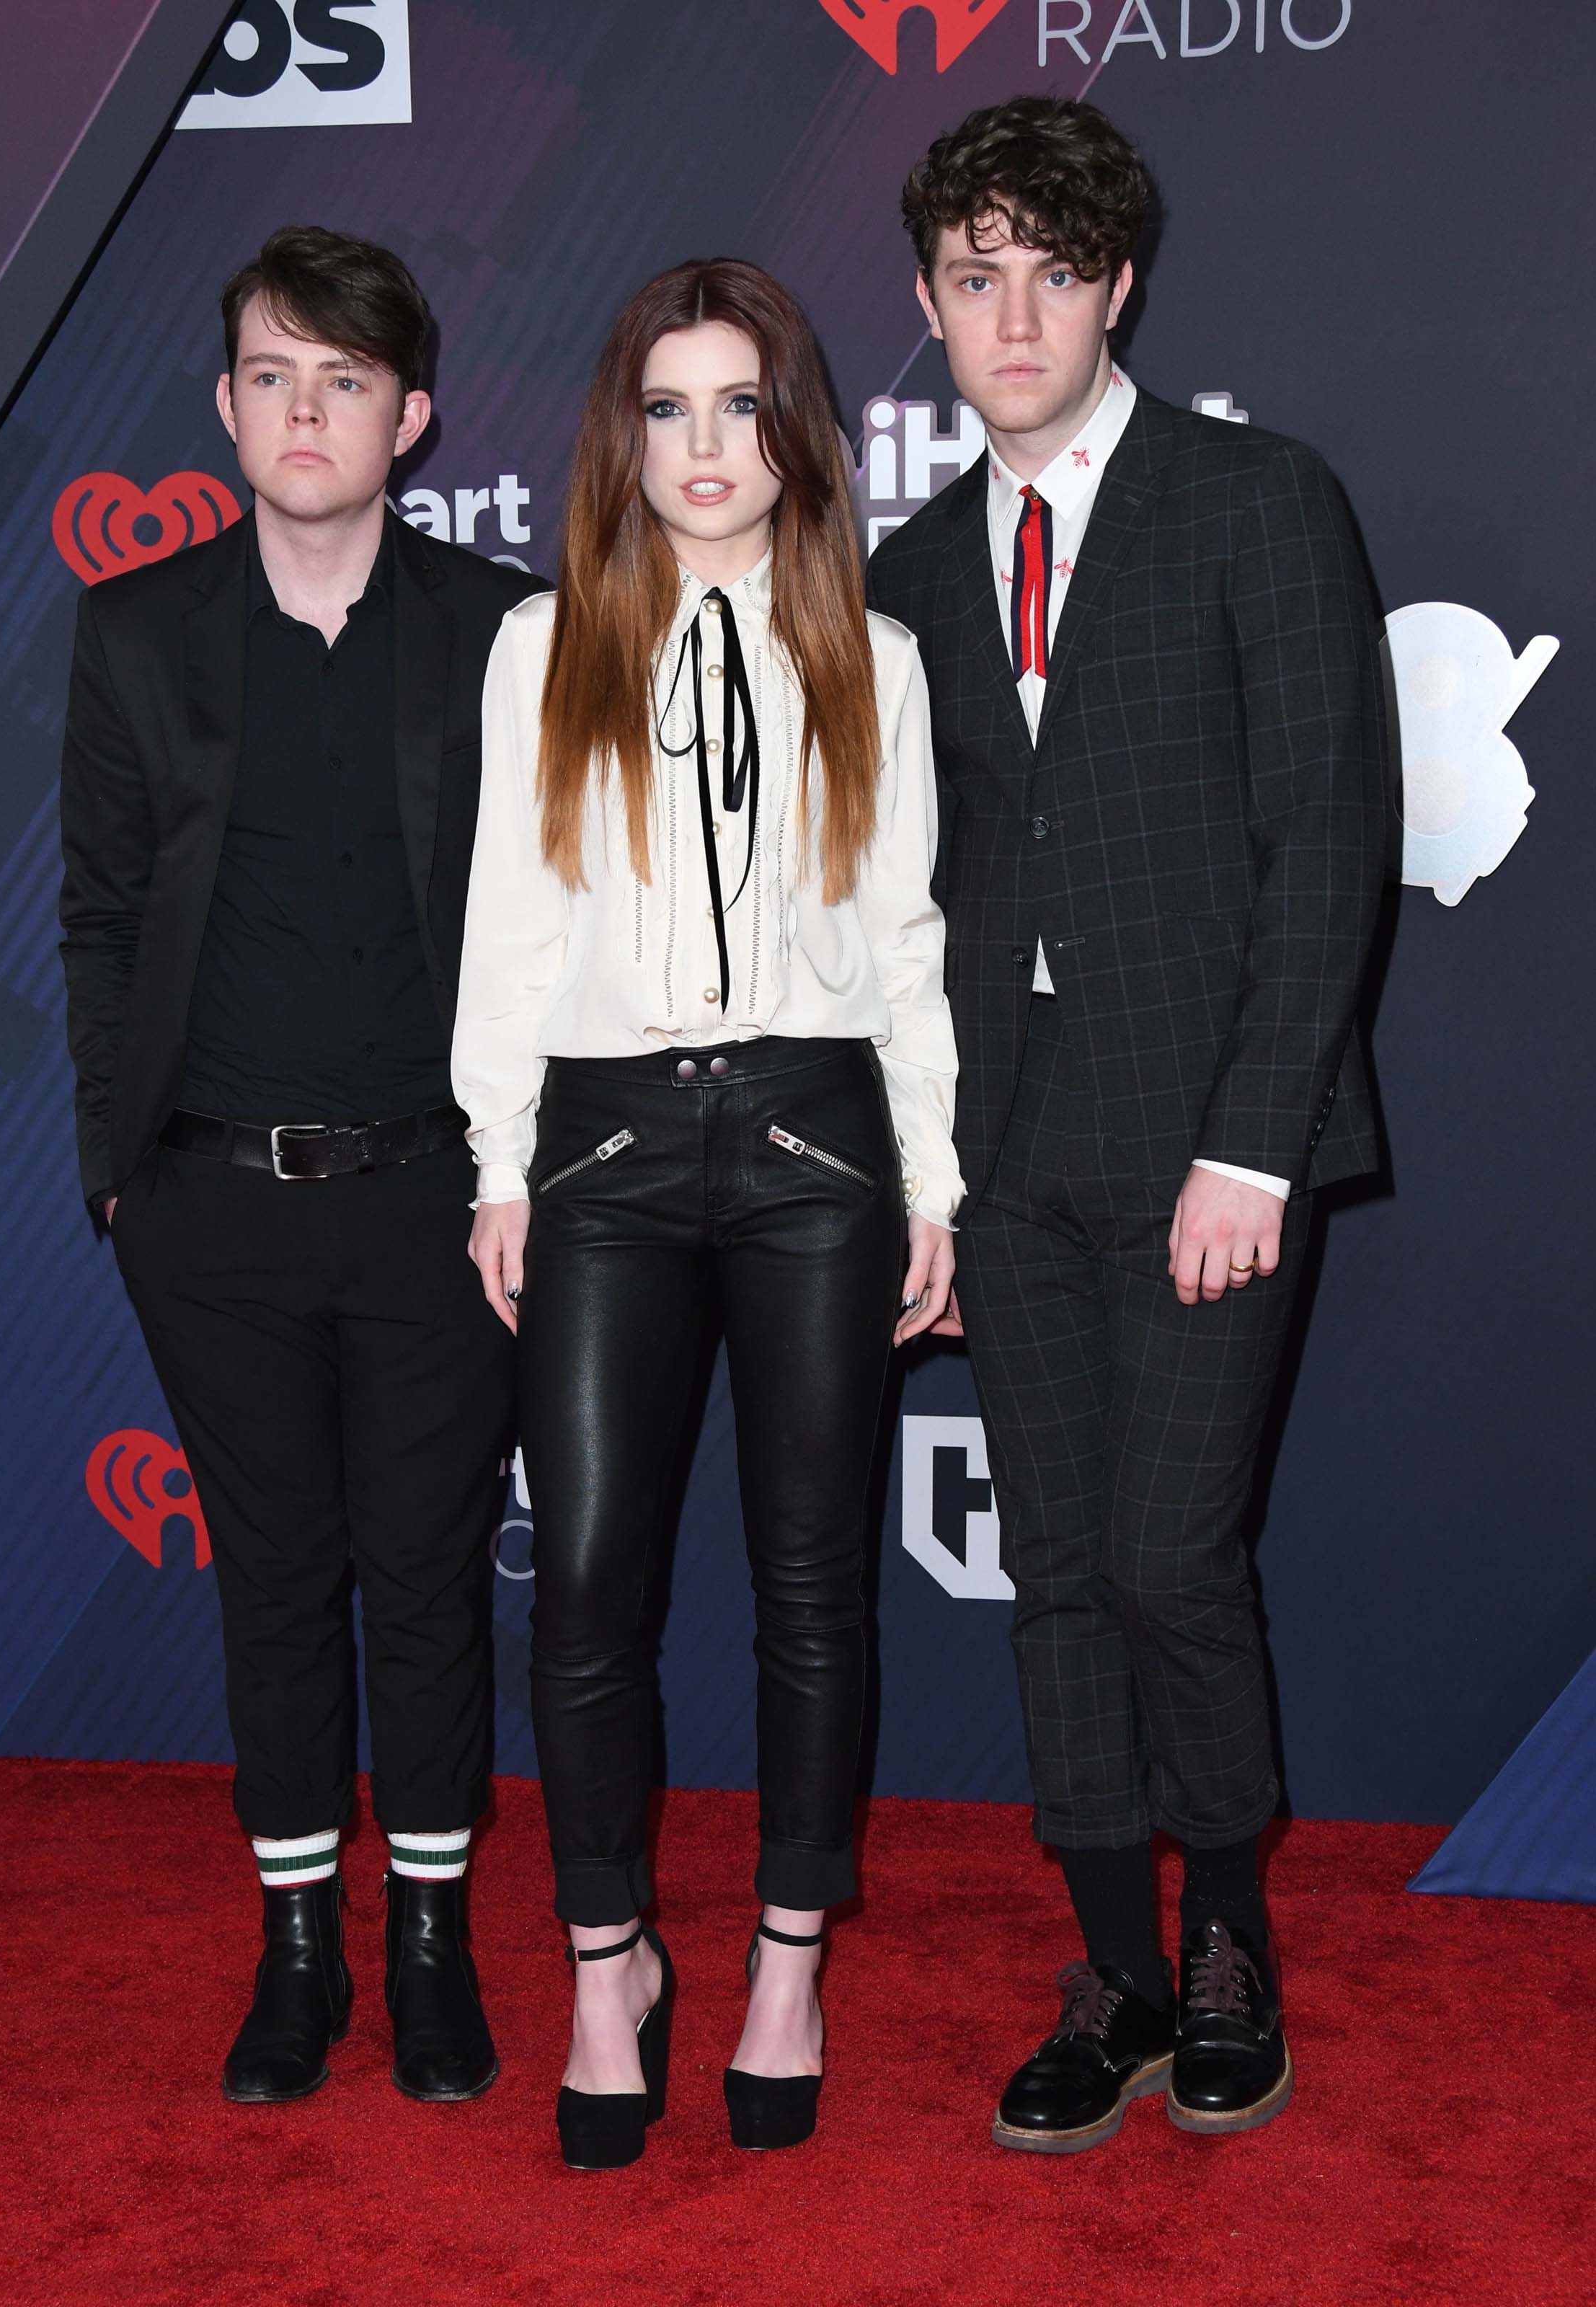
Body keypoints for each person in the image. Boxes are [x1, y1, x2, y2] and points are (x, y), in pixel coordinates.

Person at [866, 98, 1387, 2151]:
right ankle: (1109, 1970)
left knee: (1173, 1556)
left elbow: (1327, 838)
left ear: (1116, 288)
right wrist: (918, 1177)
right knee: (1061, 1568)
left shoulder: (1254, 498)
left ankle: (1232, 1940)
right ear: (925, 302)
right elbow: (892, 904)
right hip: (1006, 1149)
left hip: (1205, 1134)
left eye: (1051, 273)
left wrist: (1252, 1145)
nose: (1014, 315)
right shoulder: (905, 563)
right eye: (974, 278)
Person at [452, 258, 962, 2170]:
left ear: (794, 432)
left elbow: (904, 942)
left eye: (737, 406)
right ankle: (605, 1964)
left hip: (820, 1140)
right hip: (598, 1146)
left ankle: (780, 1962)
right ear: (621, 435)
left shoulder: (877, 660)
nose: (700, 447)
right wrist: (500, 1155)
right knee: (587, 1575)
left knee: (812, 1580)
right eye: (665, 409)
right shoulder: (545, 646)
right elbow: (511, 921)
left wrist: (935, 1179)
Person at [58, 226, 544, 2105]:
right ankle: (295, 1953)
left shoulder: (506, 628)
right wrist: (120, 1165)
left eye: (344, 379)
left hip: (436, 1193)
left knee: (424, 1577)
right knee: (271, 1578)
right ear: (225, 407)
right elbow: (99, 917)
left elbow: (555, 922)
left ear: (409, 414)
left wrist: (521, 1173)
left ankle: (428, 1944)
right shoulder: (134, 631)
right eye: (272, 375)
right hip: (205, 1200)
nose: (305, 411)